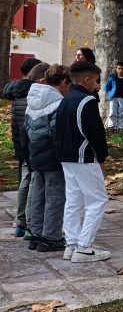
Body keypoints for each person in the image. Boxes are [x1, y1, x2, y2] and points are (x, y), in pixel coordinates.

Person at [56, 61, 110, 262]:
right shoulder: (87, 100)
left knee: (74, 200)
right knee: (97, 200)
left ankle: (71, 245)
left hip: (66, 156)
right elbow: (96, 133)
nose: (97, 85)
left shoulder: (65, 99)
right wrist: (102, 157)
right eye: (95, 81)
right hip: (83, 157)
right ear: (86, 80)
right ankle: (84, 247)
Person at [25, 64, 70, 252]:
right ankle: (51, 237)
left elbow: (27, 129)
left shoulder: (33, 100)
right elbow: (57, 134)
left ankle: (36, 234)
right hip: (53, 158)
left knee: (38, 196)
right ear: (63, 82)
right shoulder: (57, 104)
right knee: (55, 197)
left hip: (35, 154)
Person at [4, 56, 42, 238]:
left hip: (20, 142)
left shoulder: (16, 90)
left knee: (25, 180)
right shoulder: (32, 92)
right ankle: (30, 225)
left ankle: (20, 222)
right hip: (32, 142)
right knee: (33, 181)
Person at [104, 61, 123, 134]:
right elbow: (106, 87)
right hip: (113, 98)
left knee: (122, 113)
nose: (121, 70)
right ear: (116, 69)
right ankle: (111, 127)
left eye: (122, 69)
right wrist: (110, 94)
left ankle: (121, 127)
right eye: (119, 68)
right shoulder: (112, 78)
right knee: (112, 112)